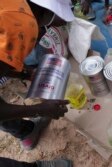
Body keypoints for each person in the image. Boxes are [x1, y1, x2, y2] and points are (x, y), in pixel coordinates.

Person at [0, 0, 75, 166]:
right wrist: (38, 109)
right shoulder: (23, 26)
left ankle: (26, 131)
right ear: (46, 10)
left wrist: (23, 73)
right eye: (57, 15)